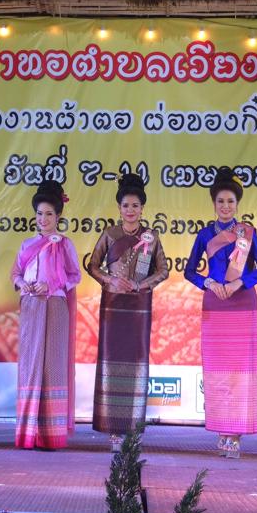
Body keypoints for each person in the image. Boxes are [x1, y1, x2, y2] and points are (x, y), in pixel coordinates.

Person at [183, 167, 257, 459]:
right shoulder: (204, 234)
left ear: (237, 204)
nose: (225, 206)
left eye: (230, 201)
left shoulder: (246, 233)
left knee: (240, 372)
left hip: (242, 303)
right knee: (218, 371)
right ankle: (222, 429)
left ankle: (236, 433)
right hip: (215, 305)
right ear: (213, 203)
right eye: (220, 201)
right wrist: (208, 283)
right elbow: (189, 271)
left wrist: (238, 283)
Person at [87, 173, 168, 451]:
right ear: (119, 208)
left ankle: (132, 427)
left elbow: (163, 271)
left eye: (135, 206)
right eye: (125, 206)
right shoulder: (110, 234)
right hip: (113, 304)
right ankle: (112, 429)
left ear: (142, 208)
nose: (130, 210)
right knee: (111, 362)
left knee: (136, 363)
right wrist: (110, 280)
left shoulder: (151, 237)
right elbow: (93, 266)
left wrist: (139, 285)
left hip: (139, 305)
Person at [11, 180, 81, 449]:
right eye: (39, 213)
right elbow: (16, 273)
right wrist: (23, 284)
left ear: (58, 216)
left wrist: (50, 285)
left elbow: (74, 276)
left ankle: (51, 434)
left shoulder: (65, 244)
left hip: (55, 306)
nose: (43, 219)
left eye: (49, 214)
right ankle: (29, 432)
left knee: (53, 365)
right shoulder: (26, 244)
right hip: (31, 306)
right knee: (30, 364)